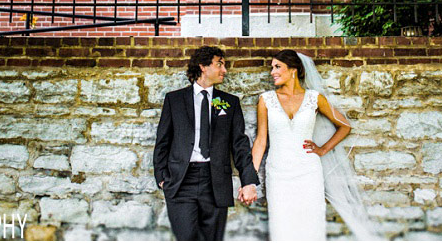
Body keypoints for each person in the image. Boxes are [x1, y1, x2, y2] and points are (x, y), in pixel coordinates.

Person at [249, 49, 381, 241]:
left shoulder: (314, 98)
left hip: (308, 173)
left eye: (277, 67)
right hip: (278, 174)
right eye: (272, 68)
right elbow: (261, 141)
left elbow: (344, 126)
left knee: (311, 226)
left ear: (293, 70)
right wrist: (249, 179)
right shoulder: (266, 100)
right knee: (281, 228)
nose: (272, 72)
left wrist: (323, 149)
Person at [153, 45, 260, 240]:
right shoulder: (174, 100)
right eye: (219, 64)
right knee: (186, 237)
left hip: (215, 181)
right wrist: (162, 178)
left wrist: (249, 181)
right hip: (180, 182)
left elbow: (240, 146)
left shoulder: (230, 102)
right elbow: (163, 142)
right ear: (203, 66)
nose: (224, 70)